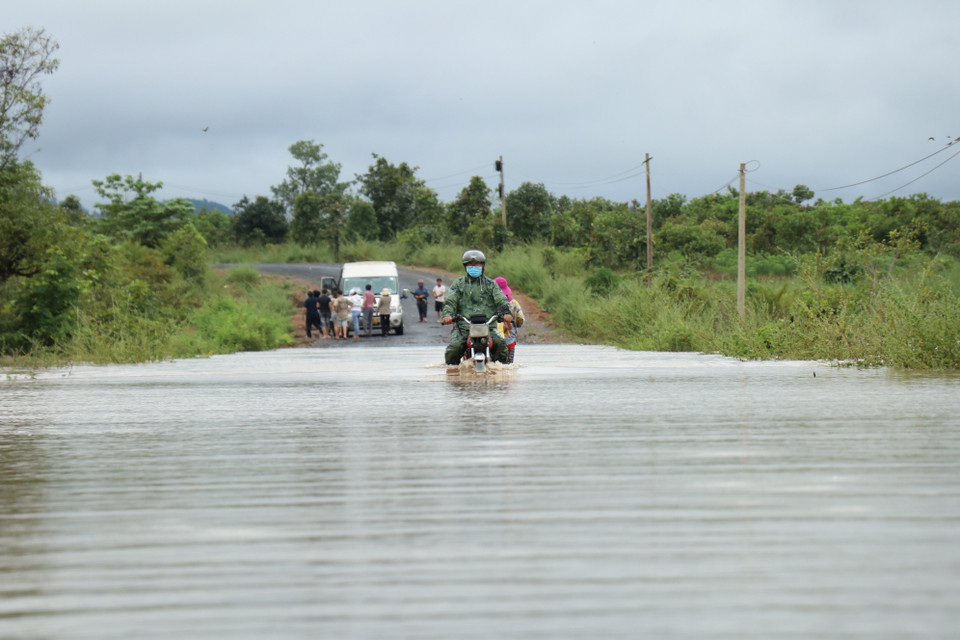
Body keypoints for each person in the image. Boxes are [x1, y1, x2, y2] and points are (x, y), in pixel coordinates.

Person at [441, 249, 513, 365]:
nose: (473, 267)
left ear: (482, 266)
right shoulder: (458, 284)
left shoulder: (491, 285)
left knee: (501, 346)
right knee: (453, 349)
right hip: (464, 328)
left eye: (477, 264)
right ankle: (452, 375)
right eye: (470, 264)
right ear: (465, 266)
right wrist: (447, 315)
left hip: (488, 327)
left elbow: (501, 300)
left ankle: (501, 375)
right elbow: (450, 301)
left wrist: (506, 313)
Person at [494, 276, 524, 364]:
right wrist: (515, 325)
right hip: (509, 339)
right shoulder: (514, 304)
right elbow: (520, 319)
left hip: (494, 338)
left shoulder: (490, 304)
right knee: (509, 364)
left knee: (493, 363)